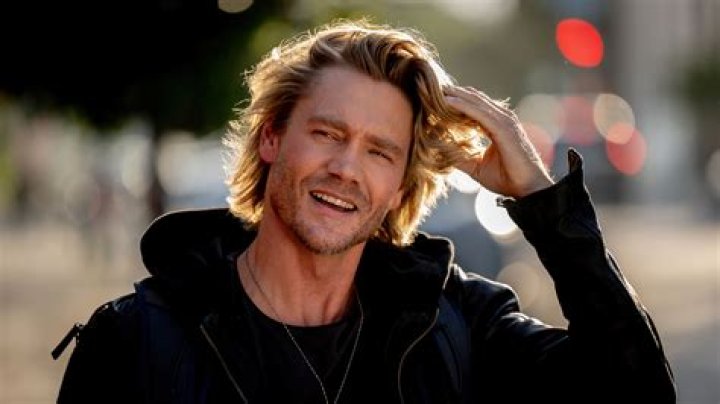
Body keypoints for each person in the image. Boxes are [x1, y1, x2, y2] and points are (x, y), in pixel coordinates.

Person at [55, 20, 676, 403]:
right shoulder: (134, 341)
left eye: (380, 151)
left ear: (401, 186)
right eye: (327, 133)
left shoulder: (457, 327)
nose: (347, 168)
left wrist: (542, 202)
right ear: (271, 138)